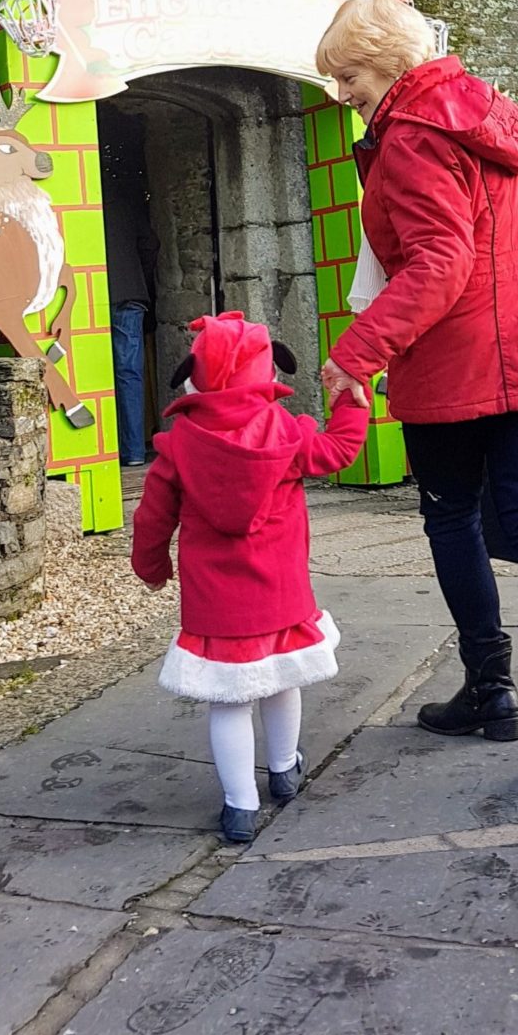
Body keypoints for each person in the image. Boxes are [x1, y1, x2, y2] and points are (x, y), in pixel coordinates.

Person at [316, 0, 518, 788]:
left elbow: (439, 261)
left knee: (452, 515)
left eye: (349, 75)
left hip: (454, 361)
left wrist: (356, 354)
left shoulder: (411, 136)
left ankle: (491, 688)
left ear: (389, 62)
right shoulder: (498, 116)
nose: (341, 92)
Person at [130, 310, 369, 843]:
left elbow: (152, 518)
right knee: (281, 680)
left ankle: (240, 806)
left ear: (194, 377)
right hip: (280, 593)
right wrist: (350, 403)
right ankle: (284, 769)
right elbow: (339, 450)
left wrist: (151, 566)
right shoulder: (286, 432)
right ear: (267, 371)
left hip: (216, 603)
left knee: (229, 700)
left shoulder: (180, 445)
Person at [103, 114, 160, 465]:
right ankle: (135, 451)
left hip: (90, 295)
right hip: (130, 292)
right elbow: (149, 244)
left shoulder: (77, 195)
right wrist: (143, 275)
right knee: (130, 373)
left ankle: (99, 451)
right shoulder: (126, 198)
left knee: (94, 371)